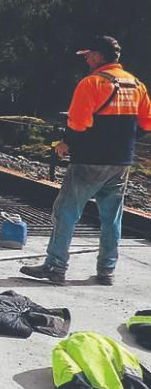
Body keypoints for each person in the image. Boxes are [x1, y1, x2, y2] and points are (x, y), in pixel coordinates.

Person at [21, 35, 151, 286]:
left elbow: (78, 123)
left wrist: (65, 143)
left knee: (66, 212)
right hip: (121, 162)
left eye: (89, 54)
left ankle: (55, 267)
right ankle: (106, 271)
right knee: (111, 217)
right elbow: (146, 123)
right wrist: (123, 142)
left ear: (100, 56)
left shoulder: (91, 83)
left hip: (89, 161)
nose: (87, 59)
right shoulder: (136, 85)